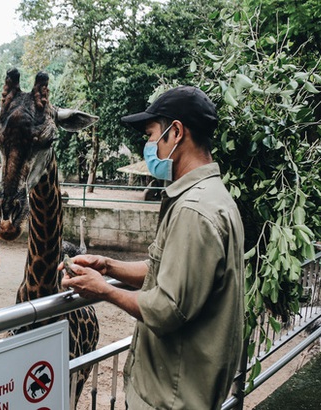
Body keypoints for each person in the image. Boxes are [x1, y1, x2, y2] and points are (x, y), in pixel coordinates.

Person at [60, 86, 245, 409]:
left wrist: (103, 290)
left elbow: (166, 309)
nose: (148, 146)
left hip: (171, 398)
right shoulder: (211, 196)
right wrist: (109, 266)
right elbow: (169, 271)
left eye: (150, 135)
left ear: (175, 132)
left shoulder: (194, 210)